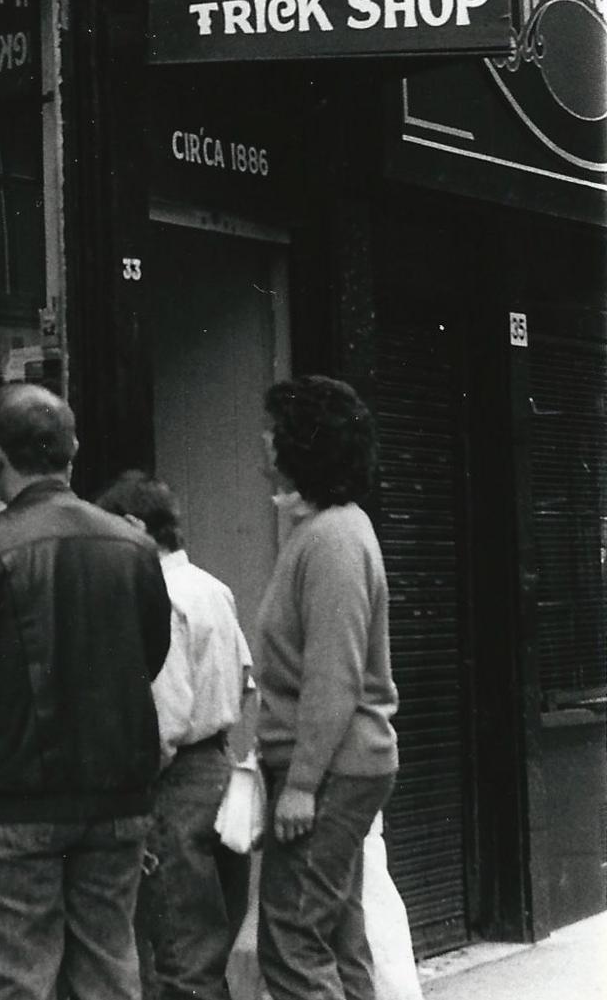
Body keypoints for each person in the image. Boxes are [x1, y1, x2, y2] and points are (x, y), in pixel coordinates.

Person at [0, 384, 172, 1000]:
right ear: (70, 457)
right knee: (109, 969)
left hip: (10, 805)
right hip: (116, 800)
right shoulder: (134, 548)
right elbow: (150, 657)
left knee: (20, 982)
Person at [255, 375, 399, 1000]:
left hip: (328, 770)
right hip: (338, 765)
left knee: (291, 942)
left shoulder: (333, 538)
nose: (264, 441)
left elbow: (334, 676)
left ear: (299, 445)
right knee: (337, 934)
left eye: (275, 430)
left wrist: (303, 784)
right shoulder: (329, 531)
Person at [98, 471, 256, 1000]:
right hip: (220, 767)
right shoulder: (214, 588)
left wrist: (134, 785)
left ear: (136, 527)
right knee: (208, 948)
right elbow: (245, 678)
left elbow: (162, 718)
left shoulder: (153, 594)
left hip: (174, 781)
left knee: (180, 957)